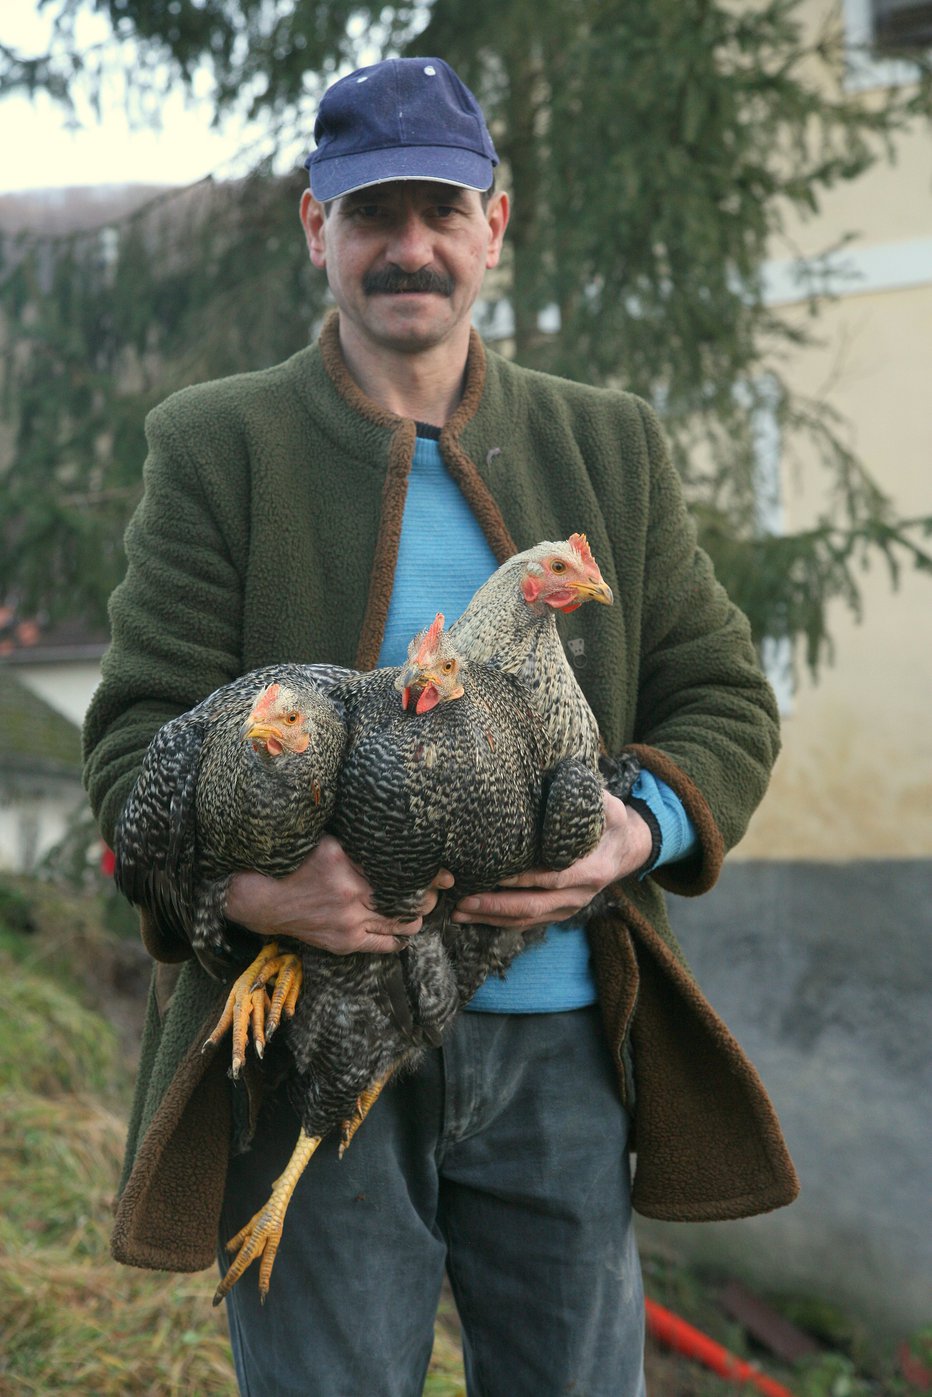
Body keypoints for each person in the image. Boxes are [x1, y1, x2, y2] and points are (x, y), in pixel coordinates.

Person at [84, 56, 798, 1397]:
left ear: (493, 226)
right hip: (310, 1053)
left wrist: (632, 829)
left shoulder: (610, 442)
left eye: (441, 211)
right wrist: (260, 886)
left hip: (560, 1045)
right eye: (370, 214)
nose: (408, 247)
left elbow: (723, 697)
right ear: (317, 228)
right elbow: (134, 743)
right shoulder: (217, 447)